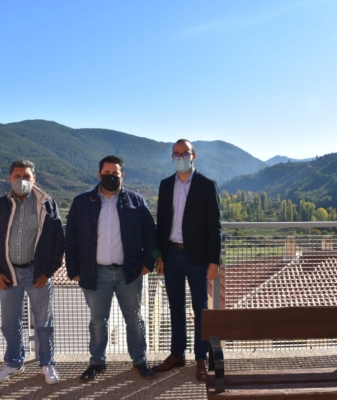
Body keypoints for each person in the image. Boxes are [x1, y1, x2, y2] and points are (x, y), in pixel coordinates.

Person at [65, 155, 157, 381]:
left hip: (130, 272)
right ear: (99, 174)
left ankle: (139, 360)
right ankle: (97, 362)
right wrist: (73, 268)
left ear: (122, 175)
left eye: (114, 174)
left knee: (134, 319)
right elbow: (72, 237)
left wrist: (149, 263)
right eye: (106, 174)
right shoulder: (82, 202)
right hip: (95, 273)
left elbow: (151, 235)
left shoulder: (136, 201)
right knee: (98, 321)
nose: (110, 178)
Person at [0, 160, 64, 385]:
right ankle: (14, 362)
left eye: (26, 176)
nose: (22, 181)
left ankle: (47, 364)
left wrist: (47, 272)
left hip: (38, 274)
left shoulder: (47, 204)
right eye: (17, 176)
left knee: (43, 322)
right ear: (9, 178)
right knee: (9, 321)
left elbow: (58, 242)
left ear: (34, 178)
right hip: (8, 274)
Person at [154, 139, 222, 381]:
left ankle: (201, 358)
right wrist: (159, 256)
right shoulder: (164, 186)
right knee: (175, 308)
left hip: (198, 258)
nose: (180, 158)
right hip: (171, 255)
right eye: (176, 154)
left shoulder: (206, 185)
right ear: (172, 157)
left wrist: (214, 262)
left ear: (194, 156)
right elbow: (161, 224)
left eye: (185, 153)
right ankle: (177, 354)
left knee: (200, 309)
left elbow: (215, 227)